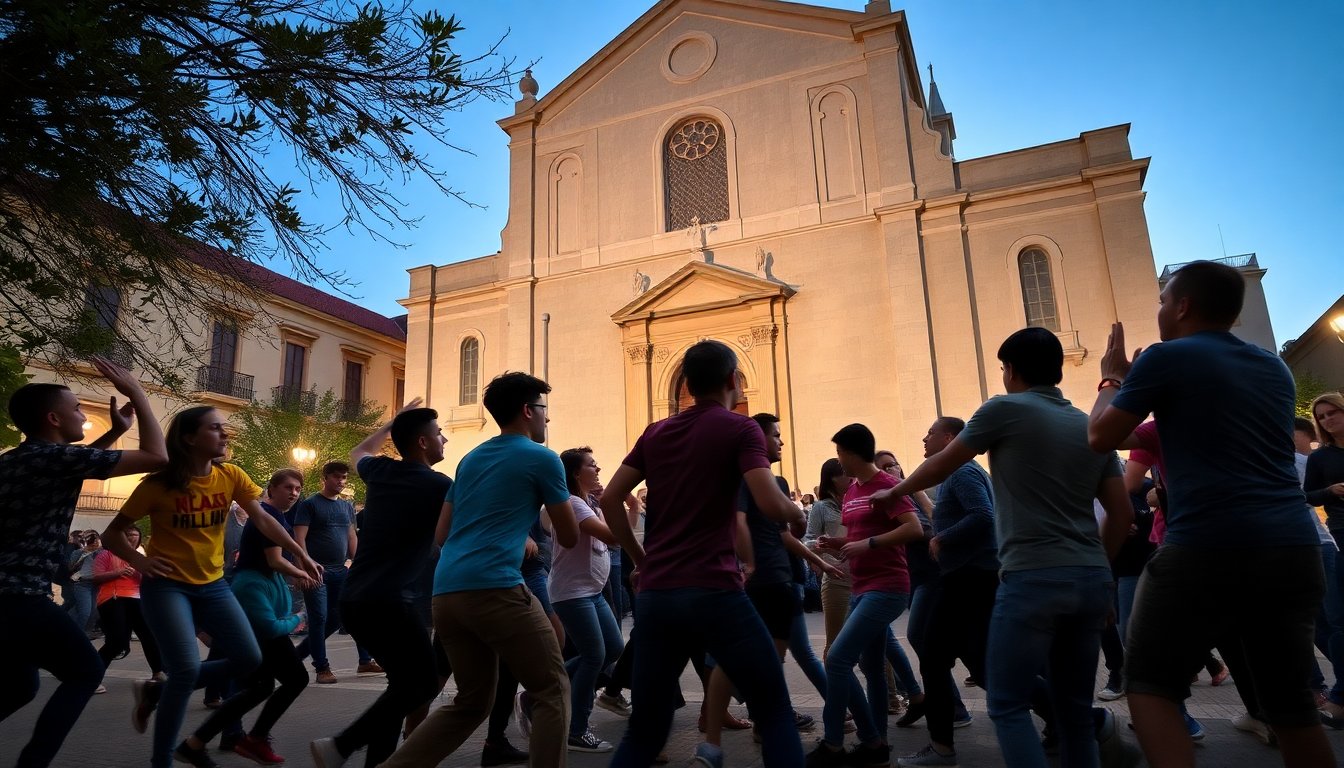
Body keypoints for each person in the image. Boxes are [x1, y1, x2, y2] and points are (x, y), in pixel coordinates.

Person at [1088, 259, 1334, 768]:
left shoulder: (1167, 356)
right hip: (1293, 545)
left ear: (1183, 306)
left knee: (1149, 682)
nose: (1159, 310)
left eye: (1162, 301)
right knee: (1290, 704)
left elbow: (1099, 436)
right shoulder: (1272, 367)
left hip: (1207, 543)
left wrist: (1112, 380)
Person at [878, 327, 1133, 768]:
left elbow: (942, 464)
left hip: (1032, 576)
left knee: (1008, 703)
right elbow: (1122, 514)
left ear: (1010, 370)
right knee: (1074, 714)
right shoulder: (1087, 426)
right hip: (1090, 579)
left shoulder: (1004, 409)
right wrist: (1102, 572)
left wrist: (893, 491)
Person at [601, 340, 806, 768]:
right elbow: (770, 503)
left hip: (658, 594)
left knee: (645, 731)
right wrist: (795, 512)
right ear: (733, 379)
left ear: (689, 385)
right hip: (715, 590)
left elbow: (611, 497)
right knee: (773, 710)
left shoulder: (656, 432)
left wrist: (641, 560)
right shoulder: (740, 429)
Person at [375, 372, 577, 768]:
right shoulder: (543, 458)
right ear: (527, 411)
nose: (547, 417)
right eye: (543, 409)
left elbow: (442, 533)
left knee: (471, 702)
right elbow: (569, 536)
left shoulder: (470, 459)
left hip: (448, 592)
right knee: (552, 689)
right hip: (497, 588)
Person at [102, 405, 321, 768]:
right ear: (189, 438)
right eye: (215, 428)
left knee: (249, 659)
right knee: (186, 670)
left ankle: (158, 691)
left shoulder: (230, 475)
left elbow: (263, 520)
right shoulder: (157, 485)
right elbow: (112, 533)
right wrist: (140, 562)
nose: (224, 433)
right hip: (168, 586)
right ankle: (162, 759)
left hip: (213, 585)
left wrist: (301, 554)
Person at [0, 359, 168, 768]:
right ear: (53, 418)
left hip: (10, 596)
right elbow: (156, 456)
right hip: (19, 595)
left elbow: (73, 464)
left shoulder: (20, 459)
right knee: (85, 671)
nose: (82, 416)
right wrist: (138, 394)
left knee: (20, 686)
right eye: (76, 408)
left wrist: (114, 432)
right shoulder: (53, 459)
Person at [308, 401, 453, 768]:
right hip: (389, 602)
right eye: (439, 434)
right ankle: (341, 746)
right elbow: (449, 533)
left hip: (357, 600)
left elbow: (359, 451)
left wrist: (391, 424)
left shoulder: (382, 471)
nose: (444, 439)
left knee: (402, 686)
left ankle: (377, 762)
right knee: (422, 685)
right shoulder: (439, 485)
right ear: (423, 442)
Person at [176, 468, 314, 765]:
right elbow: (274, 560)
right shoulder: (268, 515)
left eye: (298, 489)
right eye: (288, 487)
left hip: (253, 597)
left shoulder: (274, 517)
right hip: (253, 600)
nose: (294, 493)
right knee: (293, 679)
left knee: (258, 684)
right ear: (271, 488)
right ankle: (252, 738)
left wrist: (297, 571)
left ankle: (195, 742)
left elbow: (274, 562)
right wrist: (303, 573)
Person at [807, 423, 924, 768]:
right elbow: (858, 536)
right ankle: (878, 746)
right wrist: (837, 543)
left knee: (838, 659)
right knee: (872, 667)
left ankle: (834, 744)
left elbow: (914, 527)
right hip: (860, 586)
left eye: (840, 452)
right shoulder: (853, 490)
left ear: (852, 452)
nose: (838, 460)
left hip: (886, 587)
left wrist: (868, 544)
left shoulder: (886, 485)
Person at [896, 416, 997, 768]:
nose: (924, 439)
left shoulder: (962, 471)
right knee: (981, 664)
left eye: (931, 433)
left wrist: (941, 538)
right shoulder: (959, 472)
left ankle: (941, 747)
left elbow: (983, 515)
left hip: (968, 578)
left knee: (934, 656)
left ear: (950, 437)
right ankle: (1065, 717)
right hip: (970, 577)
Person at [551, 447, 623, 752]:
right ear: (576, 473)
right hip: (572, 593)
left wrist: (619, 506)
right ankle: (577, 730)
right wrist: (614, 502)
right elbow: (613, 536)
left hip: (591, 591)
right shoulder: (573, 503)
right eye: (592, 465)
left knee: (613, 648)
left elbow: (613, 540)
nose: (598, 469)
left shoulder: (588, 503)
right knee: (594, 656)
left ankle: (542, 689)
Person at [294, 460, 380, 684]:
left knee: (351, 614)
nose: (341, 481)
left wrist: (357, 563)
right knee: (319, 619)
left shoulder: (347, 506)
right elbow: (299, 539)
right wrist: (304, 568)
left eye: (344, 478)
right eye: (337, 477)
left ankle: (364, 661)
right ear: (325, 478)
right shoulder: (310, 504)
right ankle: (321, 667)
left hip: (342, 570)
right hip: (317, 571)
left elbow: (352, 537)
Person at [1308, 393, 1344, 725]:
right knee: (1336, 620)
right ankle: (1339, 697)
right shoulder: (1320, 458)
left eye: (1332, 412)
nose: (1328, 419)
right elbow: (1306, 495)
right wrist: (1329, 491)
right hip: (1339, 536)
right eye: (1321, 416)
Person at [93, 525, 164, 682]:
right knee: (116, 642)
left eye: (135, 535)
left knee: (149, 636)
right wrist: (117, 573)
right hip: (112, 598)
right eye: (129, 534)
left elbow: (149, 580)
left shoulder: (141, 557)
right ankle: (92, 677)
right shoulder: (105, 554)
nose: (132, 538)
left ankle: (159, 672)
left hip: (137, 599)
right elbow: (96, 578)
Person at [804, 459, 851, 658]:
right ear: (833, 478)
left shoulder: (859, 500)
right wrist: (826, 548)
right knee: (835, 644)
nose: (852, 475)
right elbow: (807, 541)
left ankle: (889, 683)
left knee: (878, 646)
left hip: (867, 579)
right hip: (837, 581)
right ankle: (834, 677)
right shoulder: (821, 507)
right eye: (846, 472)